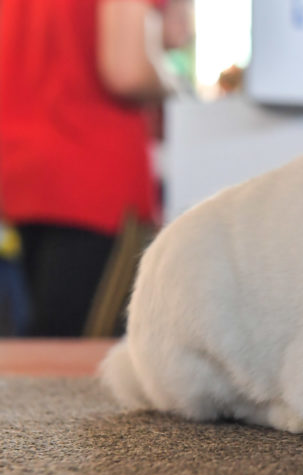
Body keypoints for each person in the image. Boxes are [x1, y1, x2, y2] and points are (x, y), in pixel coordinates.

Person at [0, 0, 189, 336]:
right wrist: (177, 86)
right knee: (82, 360)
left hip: (21, 166)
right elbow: (130, 71)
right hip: (94, 175)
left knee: (42, 348)